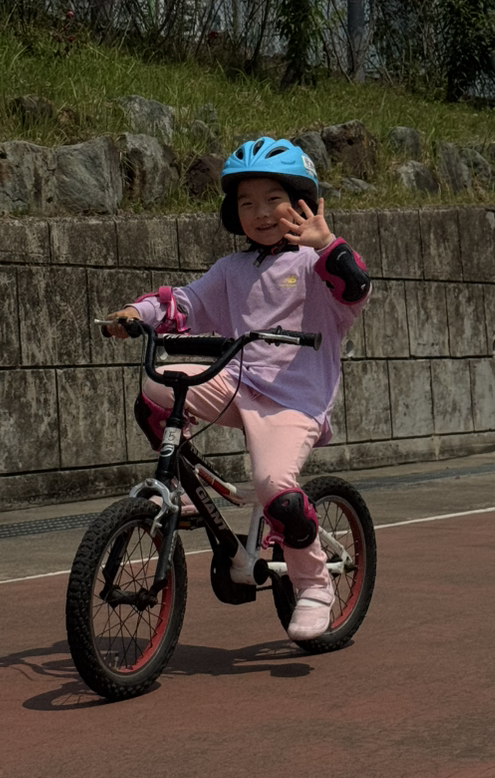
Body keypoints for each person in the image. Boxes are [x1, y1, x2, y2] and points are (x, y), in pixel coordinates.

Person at [105, 136, 372, 642]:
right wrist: (137, 313)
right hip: (236, 381)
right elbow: (185, 302)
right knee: (157, 387)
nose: (261, 213)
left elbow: (355, 287)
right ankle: (180, 489)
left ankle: (314, 586)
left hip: (294, 402)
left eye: (273, 199)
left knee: (276, 490)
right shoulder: (232, 270)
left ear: (303, 203)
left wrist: (326, 245)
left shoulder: (315, 264)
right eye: (247, 203)